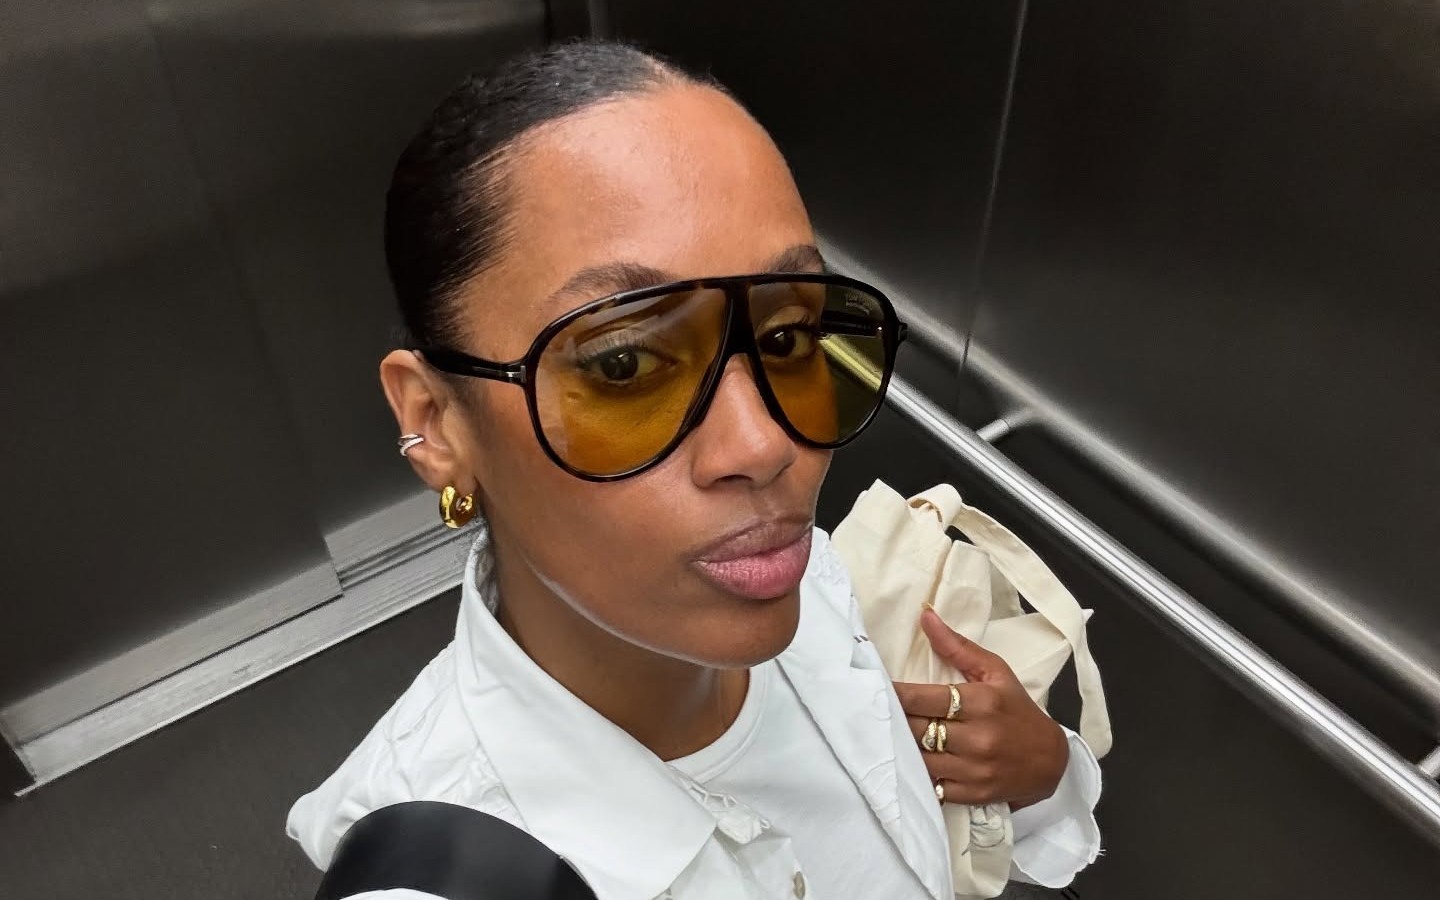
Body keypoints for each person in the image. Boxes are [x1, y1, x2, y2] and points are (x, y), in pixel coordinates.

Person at [288, 40, 1101, 900]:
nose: (763, 447)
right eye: (625, 365)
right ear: (436, 422)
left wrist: (1045, 777)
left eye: (787, 336)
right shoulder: (453, 869)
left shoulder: (810, 582)